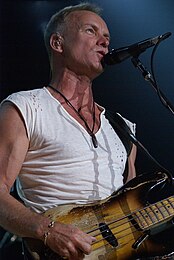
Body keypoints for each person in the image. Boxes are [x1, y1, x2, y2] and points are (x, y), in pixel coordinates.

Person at [0, 2, 137, 260]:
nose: (104, 42)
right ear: (57, 43)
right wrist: (47, 230)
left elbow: (132, 212)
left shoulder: (123, 128)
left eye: (107, 37)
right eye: (91, 31)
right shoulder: (25, 107)